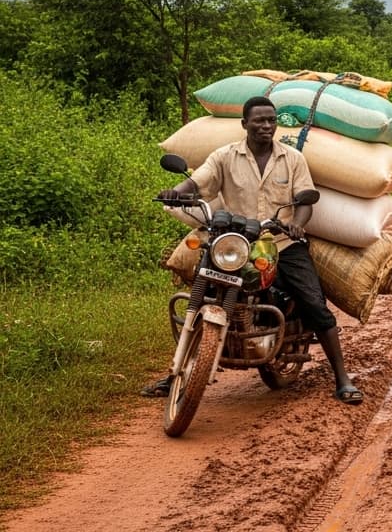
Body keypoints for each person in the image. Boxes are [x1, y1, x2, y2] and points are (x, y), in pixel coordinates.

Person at [142, 97, 363, 404]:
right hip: (236, 242)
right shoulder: (225, 156)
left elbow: (304, 201)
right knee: (201, 290)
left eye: (271, 120)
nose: (266, 126)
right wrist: (175, 193)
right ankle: (176, 372)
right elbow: (197, 182)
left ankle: (342, 377)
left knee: (314, 303)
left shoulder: (292, 158)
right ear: (244, 124)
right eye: (259, 120)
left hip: (281, 244)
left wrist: (297, 224)